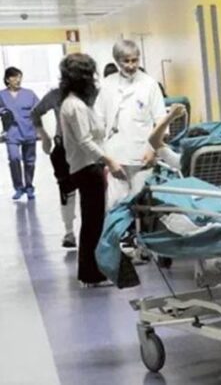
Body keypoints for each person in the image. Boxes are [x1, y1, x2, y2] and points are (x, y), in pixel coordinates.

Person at [59, 53, 127, 287]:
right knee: (93, 221)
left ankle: (93, 269)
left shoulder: (77, 103)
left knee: (94, 220)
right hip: (87, 168)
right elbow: (85, 141)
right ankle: (90, 272)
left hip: (88, 167)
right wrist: (109, 161)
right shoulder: (75, 106)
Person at [95, 40, 167, 209]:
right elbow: (98, 122)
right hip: (115, 156)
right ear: (117, 61)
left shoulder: (150, 84)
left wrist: (153, 150)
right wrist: (106, 158)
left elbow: (161, 121)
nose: (131, 65)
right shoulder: (107, 85)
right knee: (115, 205)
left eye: (135, 60)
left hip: (142, 155)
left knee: (141, 206)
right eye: (126, 61)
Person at [32, 88, 78, 247]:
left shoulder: (91, 93)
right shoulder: (56, 94)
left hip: (88, 148)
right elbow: (35, 112)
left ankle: (94, 233)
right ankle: (69, 231)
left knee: (91, 192)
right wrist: (44, 136)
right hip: (63, 148)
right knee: (67, 191)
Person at [0, 67, 40, 200]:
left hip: (29, 131)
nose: (18, 80)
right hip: (12, 132)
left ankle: (29, 187)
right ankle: (18, 187)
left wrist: (40, 130)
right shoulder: (1, 95)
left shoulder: (29, 94)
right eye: (14, 77)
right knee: (14, 158)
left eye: (19, 77)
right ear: (7, 79)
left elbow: (39, 109)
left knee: (29, 162)